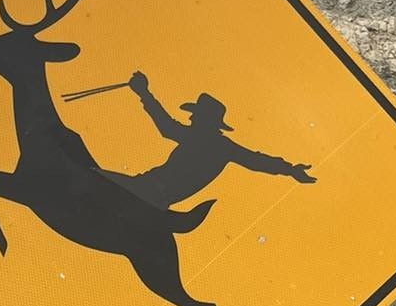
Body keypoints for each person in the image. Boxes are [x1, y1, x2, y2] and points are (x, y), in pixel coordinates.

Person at [108, 71, 316, 210]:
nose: (190, 118)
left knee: (92, 176)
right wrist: (289, 169)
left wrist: (144, 93)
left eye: (195, 115)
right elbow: (256, 160)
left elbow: (166, 126)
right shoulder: (221, 147)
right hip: (158, 194)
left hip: (149, 189)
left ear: (205, 120)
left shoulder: (205, 141)